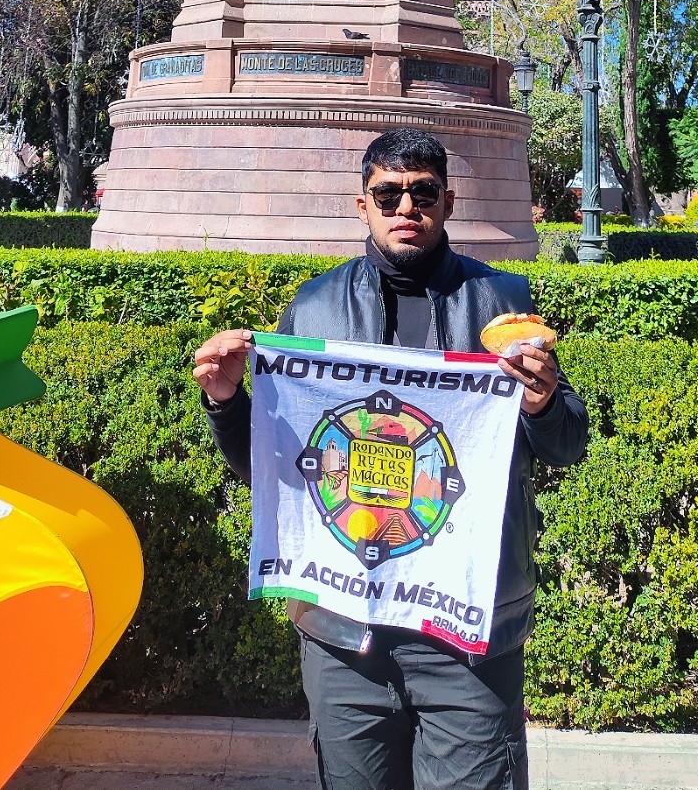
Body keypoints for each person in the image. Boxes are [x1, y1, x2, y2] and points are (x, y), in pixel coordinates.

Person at [195, 127, 588, 790]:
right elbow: (280, 468)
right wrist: (228, 401)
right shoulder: (314, 308)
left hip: (469, 630)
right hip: (345, 630)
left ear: (448, 201)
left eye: (423, 192)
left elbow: (566, 444)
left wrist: (542, 402)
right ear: (362, 204)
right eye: (388, 193)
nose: (406, 207)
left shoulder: (503, 301)